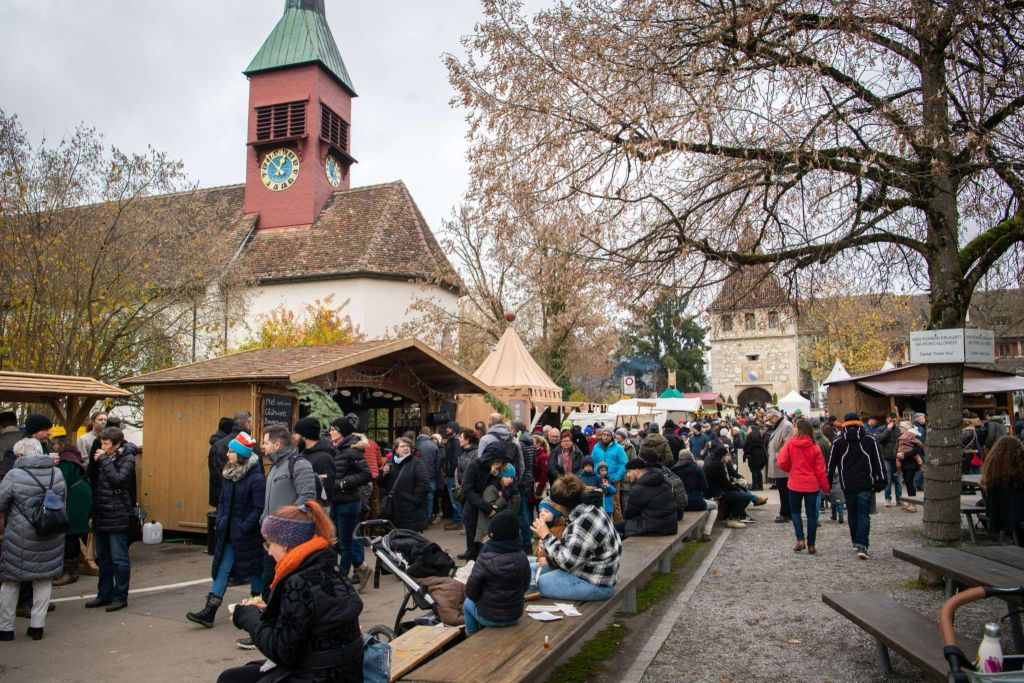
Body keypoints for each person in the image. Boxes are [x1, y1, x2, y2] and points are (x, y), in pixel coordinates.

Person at [220, 503, 364, 683]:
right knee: (234, 677)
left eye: (270, 544)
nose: (270, 552)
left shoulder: (299, 582)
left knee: (230, 679)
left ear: (286, 545)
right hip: (345, 671)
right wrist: (270, 611)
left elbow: (282, 651)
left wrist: (247, 617)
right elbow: (311, 621)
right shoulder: (329, 568)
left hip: (320, 674)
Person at [235, 423, 316, 650]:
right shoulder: (274, 467)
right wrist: (264, 520)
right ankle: (266, 630)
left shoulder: (298, 465)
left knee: (283, 587)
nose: (262, 446)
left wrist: (285, 525)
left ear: (277, 444)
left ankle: (278, 633)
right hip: (272, 541)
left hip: (289, 543)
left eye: (266, 442)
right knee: (270, 585)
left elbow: (308, 499)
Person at [187, 432, 266, 628]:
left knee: (254, 571)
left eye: (231, 451)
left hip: (247, 534)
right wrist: (221, 520)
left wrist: (245, 526)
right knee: (222, 569)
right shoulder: (229, 474)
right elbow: (222, 501)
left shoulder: (255, 479)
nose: (228, 454)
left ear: (240, 454)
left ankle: (258, 611)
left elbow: (259, 508)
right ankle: (209, 612)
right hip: (229, 532)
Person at [0, 438, 66, 641]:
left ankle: (5, 629)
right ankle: (37, 626)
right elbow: (63, 500)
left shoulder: (14, 474)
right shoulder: (57, 473)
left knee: (11, 582)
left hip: (20, 536)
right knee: (44, 579)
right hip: (50, 533)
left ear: (20, 455)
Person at [530, 475, 621, 601]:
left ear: (562, 505)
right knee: (530, 569)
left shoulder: (583, 522)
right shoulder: (589, 508)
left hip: (596, 584)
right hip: (588, 571)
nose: (553, 506)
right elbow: (571, 550)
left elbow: (566, 562)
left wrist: (546, 535)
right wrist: (548, 560)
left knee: (535, 582)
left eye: (555, 504)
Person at [86, 426, 136, 612]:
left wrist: (104, 459)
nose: (103, 446)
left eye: (106, 443)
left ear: (116, 444)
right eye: (102, 442)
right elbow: (96, 484)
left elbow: (119, 480)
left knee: (119, 558)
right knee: (104, 558)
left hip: (118, 514)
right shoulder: (102, 458)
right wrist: (92, 514)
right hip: (101, 513)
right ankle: (104, 594)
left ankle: (120, 596)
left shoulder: (127, 458)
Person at [827, 412, 885, 560]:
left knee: (852, 513)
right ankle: (862, 544)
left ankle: (855, 541)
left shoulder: (838, 441)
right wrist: (881, 479)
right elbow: (878, 461)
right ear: (859, 422)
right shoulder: (870, 439)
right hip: (866, 482)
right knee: (863, 514)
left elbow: (830, 464)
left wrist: (827, 483)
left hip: (847, 483)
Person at [462, 509, 530, 636]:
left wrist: (482, 600)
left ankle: (471, 635)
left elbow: (471, 591)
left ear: (492, 534)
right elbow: (525, 585)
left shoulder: (485, 558)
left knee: (467, 603)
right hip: (514, 615)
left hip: (489, 617)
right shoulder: (522, 556)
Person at [327, 417, 371, 589]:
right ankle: (361, 566)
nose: (330, 432)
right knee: (335, 541)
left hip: (348, 502)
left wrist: (344, 483)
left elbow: (366, 474)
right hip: (336, 501)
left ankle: (342, 583)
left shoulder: (352, 450)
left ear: (342, 432)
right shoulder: (335, 448)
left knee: (345, 543)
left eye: (333, 429)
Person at [777, 420, 830, 554]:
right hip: (811, 485)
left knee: (795, 512)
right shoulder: (814, 447)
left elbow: (781, 461)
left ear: (799, 429)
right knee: (811, 515)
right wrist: (825, 487)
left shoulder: (790, 444)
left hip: (795, 483)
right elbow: (821, 470)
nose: (793, 429)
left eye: (795, 428)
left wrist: (791, 469)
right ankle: (811, 544)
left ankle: (800, 540)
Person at [52, 432, 92, 587]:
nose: (53, 446)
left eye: (54, 443)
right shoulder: (71, 456)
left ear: (61, 444)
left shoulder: (66, 460)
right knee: (77, 531)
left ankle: (70, 571)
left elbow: (62, 481)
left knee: (71, 532)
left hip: (76, 499)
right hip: (80, 496)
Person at [614, 458, 677, 538]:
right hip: (670, 525)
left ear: (636, 471)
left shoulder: (638, 489)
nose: (628, 475)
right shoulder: (663, 481)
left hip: (655, 527)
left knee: (615, 527)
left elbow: (629, 514)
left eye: (629, 471)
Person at [378, 436, 429, 532]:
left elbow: (424, 483)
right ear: (396, 449)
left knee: (408, 538)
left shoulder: (417, 462)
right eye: (402, 446)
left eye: (408, 446)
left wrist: (414, 500)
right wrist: (383, 474)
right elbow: (380, 483)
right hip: (392, 510)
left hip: (409, 511)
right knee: (393, 539)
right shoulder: (390, 462)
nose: (406, 448)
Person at [980, 435, 1024, 545]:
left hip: (1000, 516)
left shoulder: (994, 476)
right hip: (1016, 517)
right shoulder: (1018, 478)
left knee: (980, 503)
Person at [210, 412, 255, 509]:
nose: (227, 454)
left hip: (225, 502)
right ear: (247, 423)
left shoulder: (218, 445)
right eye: (251, 423)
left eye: (230, 452)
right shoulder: (251, 446)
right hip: (240, 504)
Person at [672, 450, 717, 542]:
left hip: (680, 505)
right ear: (691, 457)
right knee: (714, 506)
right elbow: (704, 487)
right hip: (696, 503)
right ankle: (706, 533)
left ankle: (685, 537)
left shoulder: (673, 469)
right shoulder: (697, 468)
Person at [703, 445, 751, 528]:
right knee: (746, 497)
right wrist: (737, 489)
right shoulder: (718, 465)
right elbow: (724, 483)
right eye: (726, 455)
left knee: (735, 494)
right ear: (722, 456)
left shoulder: (710, 460)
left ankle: (727, 517)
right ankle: (732, 519)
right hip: (715, 492)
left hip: (711, 490)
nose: (727, 457)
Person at [590, 427, 627, 521]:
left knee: (615, 504)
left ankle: (617, 526)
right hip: (599, 480)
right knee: (600, 502)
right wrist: (596, 473)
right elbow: (593, 462)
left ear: (612, 436)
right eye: (604, 435)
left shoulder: (618, 448)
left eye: (608, 435)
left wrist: (617, 477)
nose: (605, 437)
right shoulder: (596, 447)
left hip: (613, 479)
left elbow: (624, 463)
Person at [512, 420, 537, 549]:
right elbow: (534, 463)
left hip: (521, 481)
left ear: (515, 430)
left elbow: (519, 465)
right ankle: (529, 536)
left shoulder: (519, 444)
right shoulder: (532, 443)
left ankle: (526, 540)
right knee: (526, 509)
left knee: (521, 511)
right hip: (529, 479)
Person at [766, 409, 794, 523]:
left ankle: (785, 514)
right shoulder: (779, 425)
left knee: (784, 491)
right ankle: (787, 512)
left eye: (769, 419)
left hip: (782, 464)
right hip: (778, 463)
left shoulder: (786, 425)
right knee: (783, 490)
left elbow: (788, 444)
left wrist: (779, 455)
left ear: (774, 417)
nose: (769, 422)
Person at [414, 426, 442, 525]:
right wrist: (436, 472)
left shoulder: (415, 445)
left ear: (419, 432)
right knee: (430, 497)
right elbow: (438, 462)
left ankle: (419, 518)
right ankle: (428, 518)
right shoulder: (434, 445)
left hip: (418, 476)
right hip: (431, 475)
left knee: (419, 496)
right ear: (429, 433)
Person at [895, 423, 924, 512]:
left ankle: (913, 505)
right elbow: (896, 448)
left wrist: (905, 455)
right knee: (907, 484)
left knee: (910, 483)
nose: (900, 428)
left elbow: (917, 450)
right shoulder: (901, 437)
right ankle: (910, 502)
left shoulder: (913, 437)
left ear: (906, 428)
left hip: (910, 464)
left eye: (901, 427)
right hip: (903, 463)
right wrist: (897, 454)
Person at [875, 413, 902, 507]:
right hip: (886, 457)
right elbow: (880, 440)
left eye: (894, 421)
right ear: (887, 420)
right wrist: (888, 429)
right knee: (888, 479)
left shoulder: (898, 429)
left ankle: (899, 499)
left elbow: (900, 442)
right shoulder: (881, 429)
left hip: (897, 457)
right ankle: (887, 499)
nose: (892, 423)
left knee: (898, 479)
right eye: (891, 420)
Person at [442, 422, 464, 531]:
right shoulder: (453, 440)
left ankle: (459, 521)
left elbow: (455, 459)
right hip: (451, 473)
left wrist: (451, 472)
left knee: (456, 499)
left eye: (449, 428)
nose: (447, 429)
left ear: (454, 429)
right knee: (454, 499)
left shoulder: (455, 442)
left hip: (453, 474)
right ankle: (456, 519)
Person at [742, 422, 767, 491]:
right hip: (761, 456)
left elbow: (746, 446)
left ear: (752, 429)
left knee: (754, 471)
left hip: (753, 456)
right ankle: (760, 486)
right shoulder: (760, 435)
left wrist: (746, 452)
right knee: (758, 470)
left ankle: (755, 486)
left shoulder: (750, 435)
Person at [531, 433, 549, 504]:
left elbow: (544, 473)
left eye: (533, 442)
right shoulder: (534, 453)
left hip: (539, 485)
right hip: (533, 485)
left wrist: (540, 487)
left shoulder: (543, 456)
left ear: (538, 444)